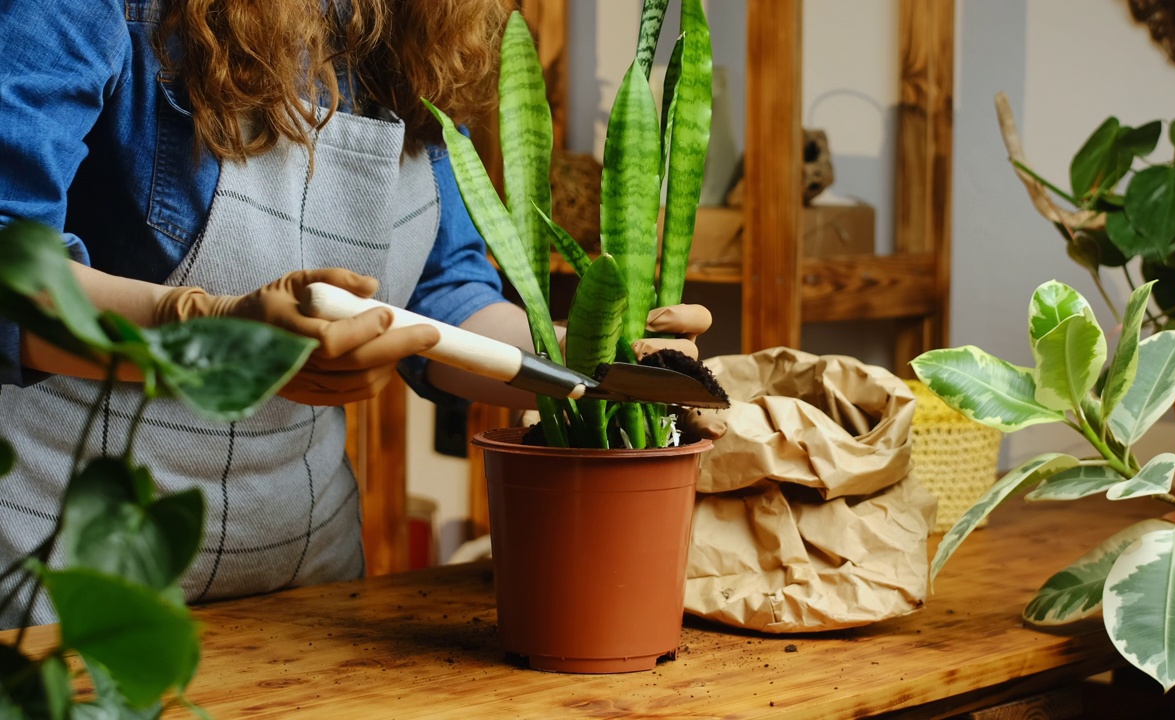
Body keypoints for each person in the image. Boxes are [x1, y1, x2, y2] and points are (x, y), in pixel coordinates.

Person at [0, 0, 712, 629]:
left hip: (302, 587)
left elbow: (446, 303)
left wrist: (596, 354)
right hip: (61, 577)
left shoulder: (414, 26)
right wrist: (202, 326)